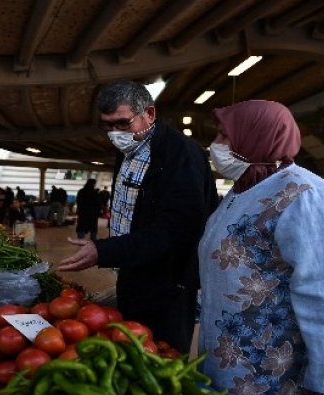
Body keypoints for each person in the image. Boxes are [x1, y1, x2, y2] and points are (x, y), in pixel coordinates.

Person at [197, 100, 324, 395]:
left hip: (271, 369)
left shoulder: (305, 195)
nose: (217, 144)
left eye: (224, 135)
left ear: (256, 135)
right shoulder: (242, 191)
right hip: (227, 356)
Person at [58, 80, 218, 353]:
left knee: (161, 353)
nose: (115, 133)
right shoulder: (128, 150)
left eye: (122, 123)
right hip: (133, 267)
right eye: (107, 126)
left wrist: (104, 250)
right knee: (130, 347)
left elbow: (178, 228)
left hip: (168, 281)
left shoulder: (181, 154)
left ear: (149, 114)